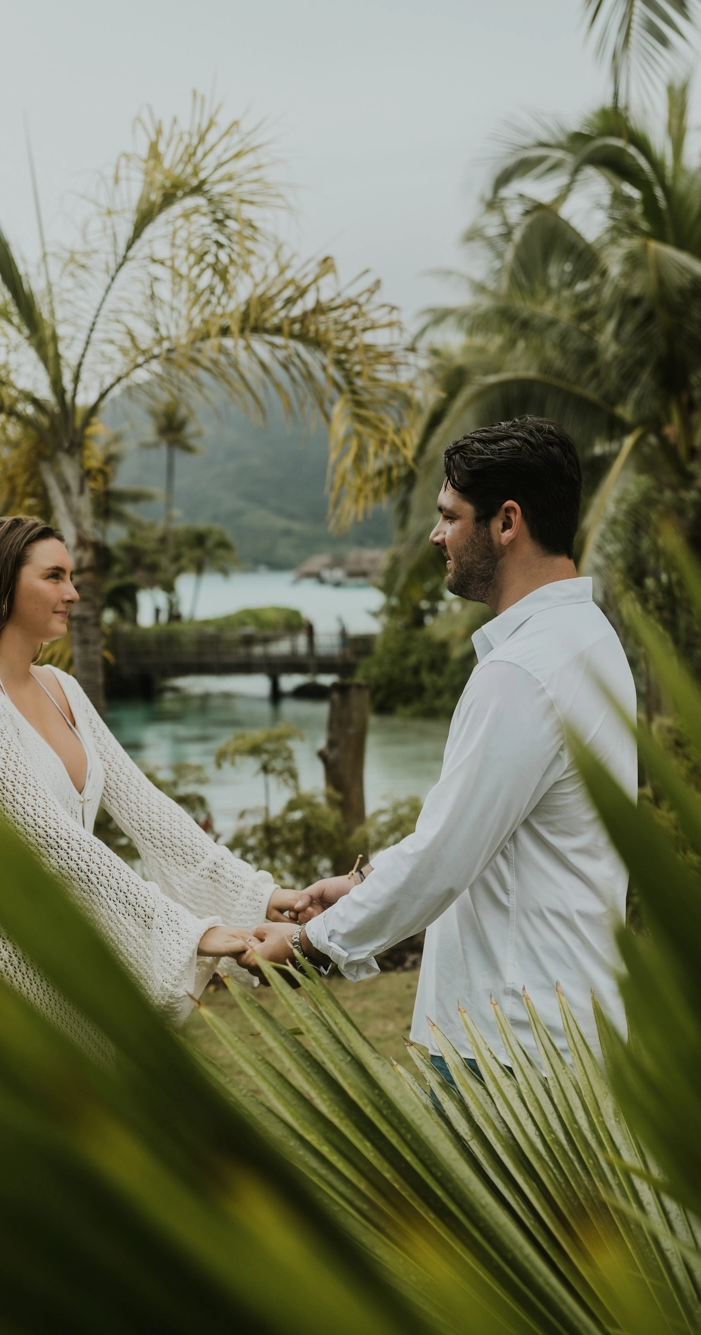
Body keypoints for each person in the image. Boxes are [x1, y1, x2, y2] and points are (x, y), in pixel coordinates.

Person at [243, 417, 637, 1073]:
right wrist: (361, 884)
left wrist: (311, 941)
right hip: (567, 1028)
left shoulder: (521, 671)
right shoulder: (590, 639)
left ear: (506, 522)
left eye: (450, 516)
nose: (436, 536)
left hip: (509, 1042)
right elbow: (479, 831)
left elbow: (444, 857)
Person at [0, 516, 298, 1055]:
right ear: (1, 583)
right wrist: (187, 931)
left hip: (76, 960)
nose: (72, 593)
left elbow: (150, 812)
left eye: (70, 577)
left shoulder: (60, 688)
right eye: (53, 576)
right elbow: (46, 837)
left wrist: (259, 896)